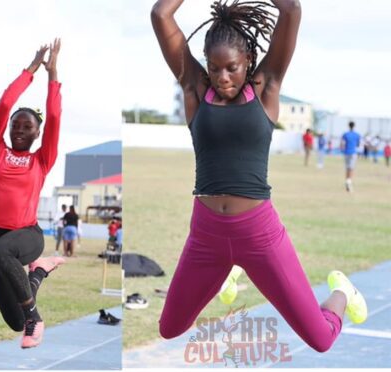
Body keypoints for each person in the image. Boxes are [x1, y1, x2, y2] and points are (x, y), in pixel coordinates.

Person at [151, 0, 366, 353]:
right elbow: (161, 14)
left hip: (259, 234)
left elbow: (292, 10)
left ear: (248, 60)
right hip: (206, 235)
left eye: (232, 68)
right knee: (169, 328)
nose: (223, 78)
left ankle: (343, 292)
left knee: (321, 339)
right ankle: (227, 273)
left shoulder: (266, 87)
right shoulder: (195, 88)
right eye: (215, 68)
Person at [0, 40, 67, 349]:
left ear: (36, 133)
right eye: (15, 124)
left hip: (27, 235)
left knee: (2, 254)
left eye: (26, 125)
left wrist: (52, 73)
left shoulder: (41, 160)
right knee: (13, 321)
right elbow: (5, 103)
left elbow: (55, 117)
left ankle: (36, 318)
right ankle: (40, 271)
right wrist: (30, 68)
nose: (19, 128)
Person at [342, 121, 361, 192]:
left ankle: (347, 181)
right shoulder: (357, 135)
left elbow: (342, 144)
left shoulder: (345, 134)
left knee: (347, 168)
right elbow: (358, 144)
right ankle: (349, 181)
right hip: (353, 153)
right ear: (354, 126)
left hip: (346, 152)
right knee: (351, 168)